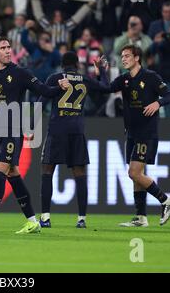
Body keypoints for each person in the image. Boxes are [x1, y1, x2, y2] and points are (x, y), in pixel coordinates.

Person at [0, 36, 65, 234]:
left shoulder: (20, 73)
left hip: (13, 131)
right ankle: (32, 221)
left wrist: (60, 87)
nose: (8, 50)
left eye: (9, 47)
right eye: (3, 48)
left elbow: (45, 90)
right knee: (12, 174)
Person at [105, 45, 170, 227]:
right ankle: (141, 217)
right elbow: (106, 88)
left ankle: (166, 201)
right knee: (136, 175)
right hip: (131, 132)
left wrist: (157, 103)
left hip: (146, 132)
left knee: (134, 172)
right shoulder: (124, 79)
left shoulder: (151, 77)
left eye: (127, 56)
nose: (123, 59)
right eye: (122, 56)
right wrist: (101, 71)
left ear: (137, 58)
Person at [39, 52, 109, 229]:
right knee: (79, 174)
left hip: (56, 129)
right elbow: (106, 90)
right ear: (77, 64)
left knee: (47, 171)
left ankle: (45, 217)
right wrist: (101, 71)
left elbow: (40, 102)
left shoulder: (55, 78)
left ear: (62, 65)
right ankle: (81, 219)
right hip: (77, 130)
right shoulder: (84, 79)